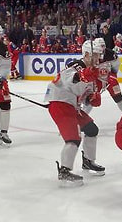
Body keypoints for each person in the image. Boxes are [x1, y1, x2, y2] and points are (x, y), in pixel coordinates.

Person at [44, 40, 105, 186]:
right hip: (60, 103)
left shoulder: (92, 71)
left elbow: (86, 96)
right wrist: (84, 74)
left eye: (98, 56)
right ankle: (64, 171)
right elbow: (70, 79)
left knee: (91, 129)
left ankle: (88, 161)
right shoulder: (76, 66)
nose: (97, 59)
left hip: (72, 105)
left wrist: (92, 98)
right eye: (94, 55)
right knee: (73, 138)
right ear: (86, 54)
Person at [84, 37, 122, 115]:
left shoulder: (111, 54)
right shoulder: (91, 55)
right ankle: (83, 117)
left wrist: (112, 76)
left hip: (109, 78)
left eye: (103, 46)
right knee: (93, 98)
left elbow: (116, 66)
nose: (102, 48)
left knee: (118, 96)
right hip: (97, 79)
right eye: (100, 46)